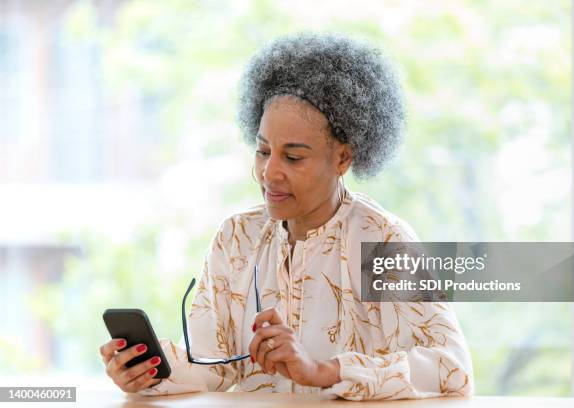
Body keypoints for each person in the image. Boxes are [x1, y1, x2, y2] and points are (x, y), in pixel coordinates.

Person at [99, 32, 474, 401]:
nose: (270, 173)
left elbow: (451, 369)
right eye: (263, 151)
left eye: (293, 157)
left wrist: (323, 372)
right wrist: (147, 372)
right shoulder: (236, 237)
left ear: (343, 158)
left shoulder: (382, 240)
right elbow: (211, 364)